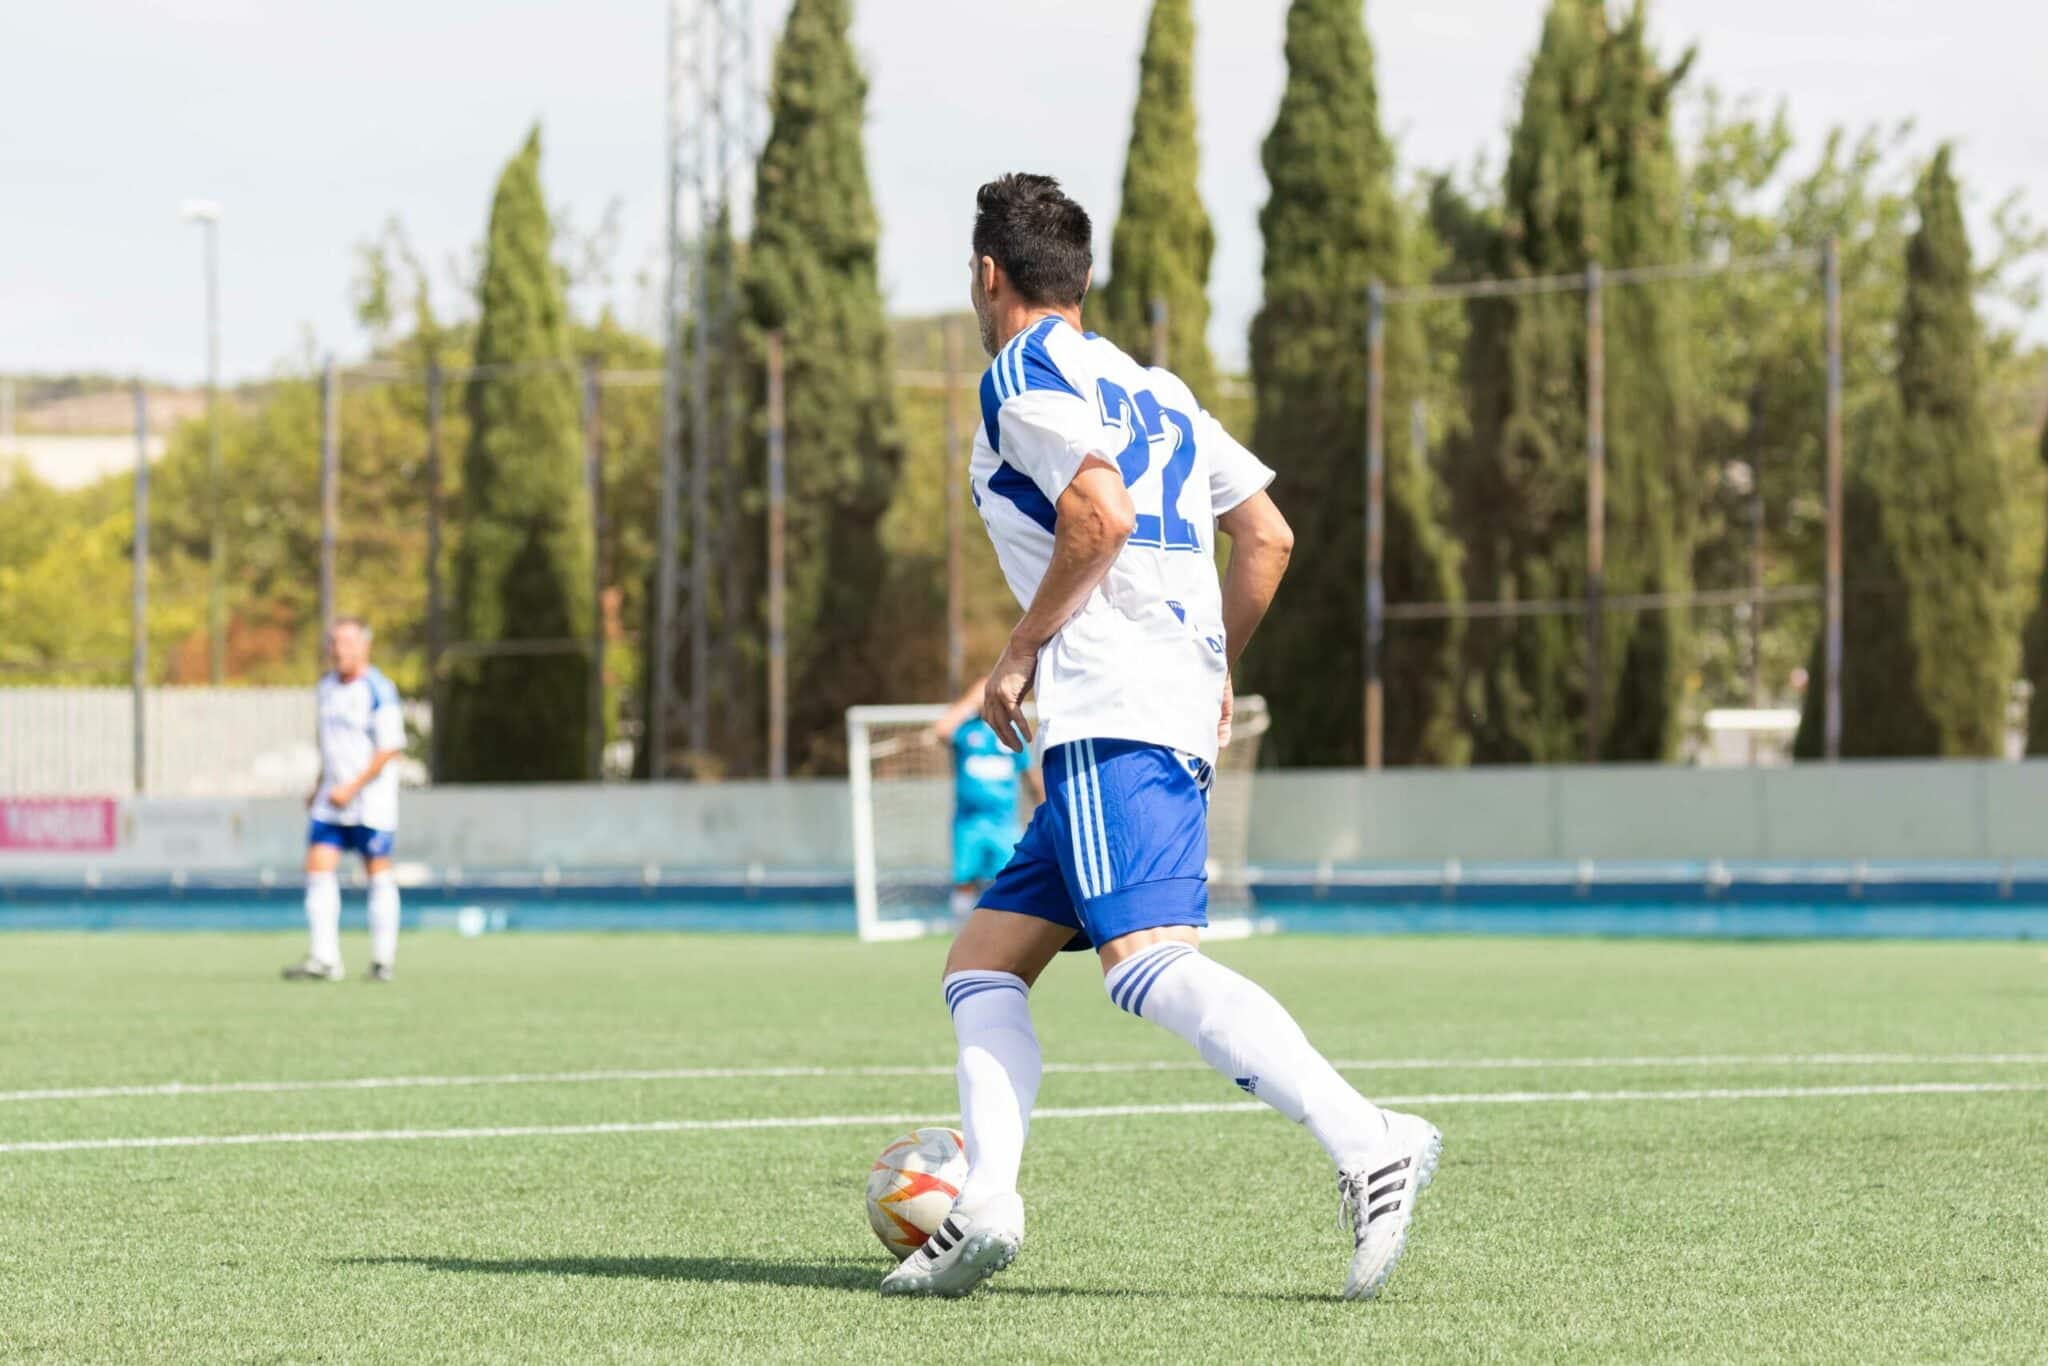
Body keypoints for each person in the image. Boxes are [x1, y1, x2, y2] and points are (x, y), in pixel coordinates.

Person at [881, 175, 1441, 1301]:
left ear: (988, 275)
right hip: (1163, 698)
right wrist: (1216, 663)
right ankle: (985, 1200)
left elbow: (1098, 517)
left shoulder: (1021, 372)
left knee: (1143, 964)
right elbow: (1267, 536)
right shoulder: (1157, 390)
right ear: (1076, 277)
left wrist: (1020, 651)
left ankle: (1366, 1137)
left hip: (1104, 701)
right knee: (981, 960)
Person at [284, 616, 406, 983]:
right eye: (334, 644)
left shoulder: (379, 689)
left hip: (370, 802)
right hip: (331, 799)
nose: (339, 651)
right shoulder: (325, 688)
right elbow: (329, 744)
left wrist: (352, 787)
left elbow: (389, 749)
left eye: (347, 643)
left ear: (364, 647)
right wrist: (319, 782)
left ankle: (383, 960)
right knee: (318, 867)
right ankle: (325, 959)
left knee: (377, 872)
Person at [930, 676, 1043, 920]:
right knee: (964, 878)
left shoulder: (1011, 732)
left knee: (1010, 878)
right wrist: (971, 699)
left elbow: (1031, 775)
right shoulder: (966, 729)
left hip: (1003, 823)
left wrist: (1046, 808)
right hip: (968, 822)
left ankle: (1005, 924)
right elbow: (941, 730)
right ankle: (962, 926)